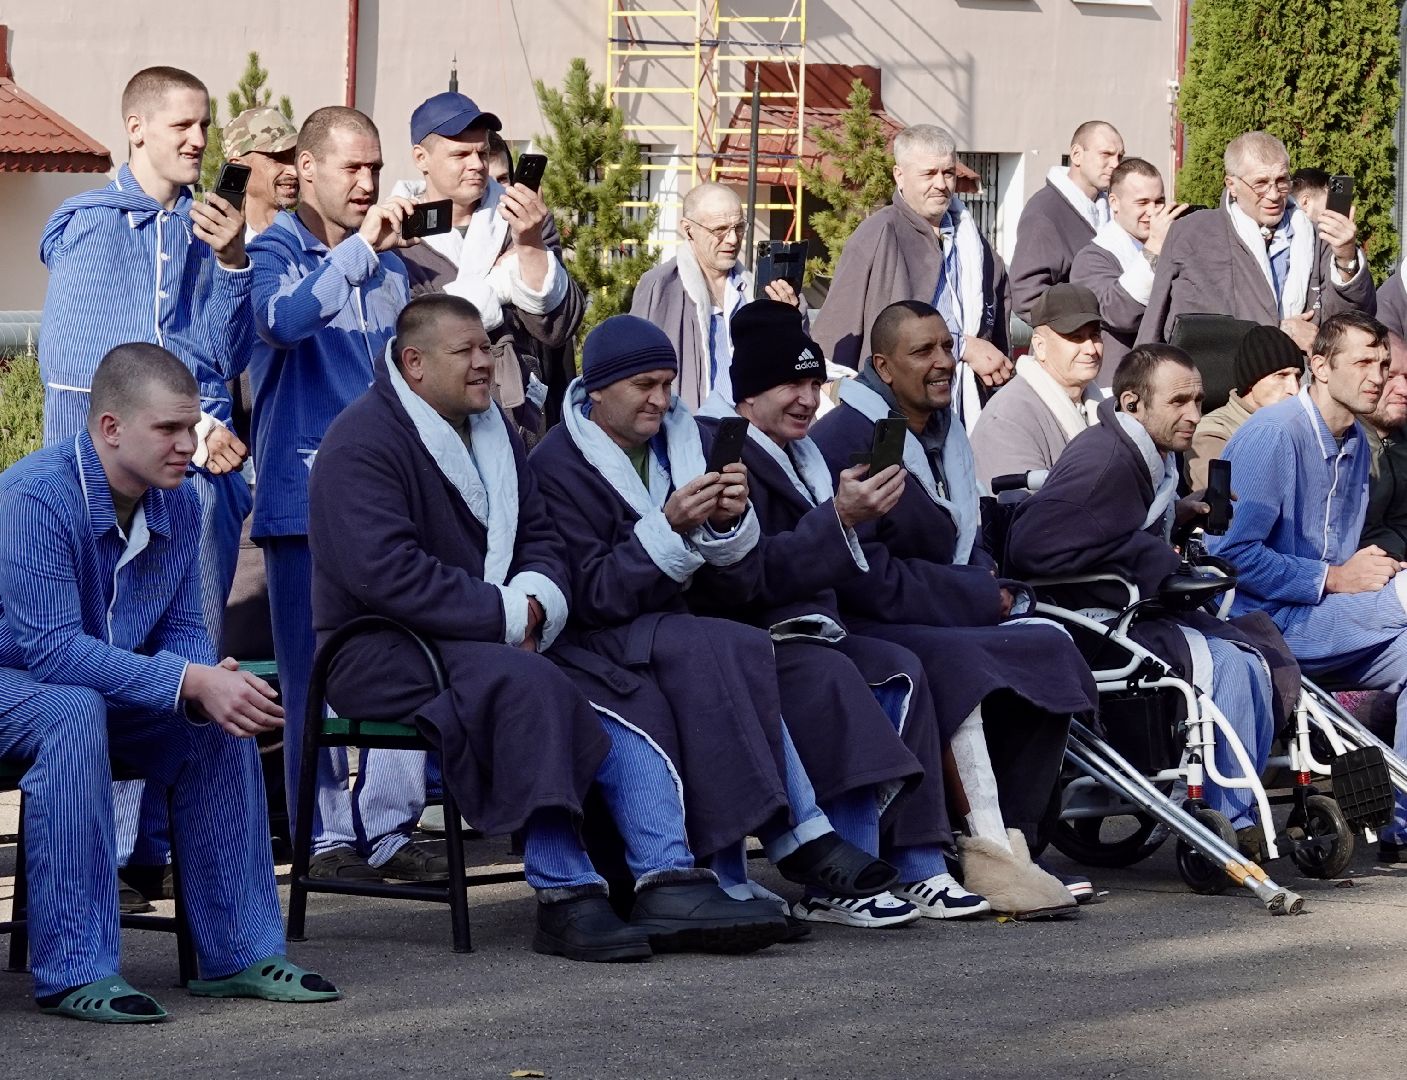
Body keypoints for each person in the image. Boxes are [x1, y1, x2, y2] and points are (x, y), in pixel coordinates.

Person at [308, 294, 787, 959]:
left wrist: (534, 600)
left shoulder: (496, 431)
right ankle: (565, 891)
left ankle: (665, 875)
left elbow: (539, 540)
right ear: (414, 364)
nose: (485, 363)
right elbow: (387, 575)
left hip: (490, 636)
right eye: (467, 352)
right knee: (528, 682)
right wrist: (507, 615)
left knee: (621, 684)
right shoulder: (359, 443)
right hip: (381, 649)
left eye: (489, 348)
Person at [0, 343, 337, 1023]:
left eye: (193, 426)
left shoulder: (182, 503)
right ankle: (76, 970)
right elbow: (53, 651)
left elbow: (184, 626)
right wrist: (186, 678)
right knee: (72, 709)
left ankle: (239, 953)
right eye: (170, 429)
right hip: (26, 683)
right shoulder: (34, 497)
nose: (191, 444)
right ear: (110, 428)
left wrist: (208, 681)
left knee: (215, 717)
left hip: (95, 689)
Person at [529, 315, 901, 909]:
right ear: (596, 389)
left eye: (668, 383)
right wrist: (668, 529)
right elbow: (590, 595)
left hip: (682, 629)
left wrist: (728, 527)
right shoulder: (558, 463)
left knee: (737, 641)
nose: (660, 399)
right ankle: (798, 835)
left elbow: (739, 588)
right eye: (643, 385)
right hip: (600, 639)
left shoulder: (692, 445)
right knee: (721, 645)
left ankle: (817, 846)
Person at [695, 299, 992, 925]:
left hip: (810, 628)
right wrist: (841, 519)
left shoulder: (804, 454)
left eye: (812, 383)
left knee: (902, 666)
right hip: (746, 637)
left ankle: (918, 864)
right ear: (747, 396)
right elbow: (747, 577)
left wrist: (849, 522)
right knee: (839, 679)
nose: (806, 399)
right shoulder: (721, 457)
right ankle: (845, 873)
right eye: (788, 385)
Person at [37, 65, 254, 913]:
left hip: (181, 480)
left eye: (204, 125)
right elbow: (89, 363)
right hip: (96, 476)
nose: (198, 141)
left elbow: (219, 353)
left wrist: (232, 262)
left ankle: (164, 857)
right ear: (134, 129)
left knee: (187, 643)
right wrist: (194, 425)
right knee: (103, 642)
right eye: (181, 126)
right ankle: (107, 857)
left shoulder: (203, 228)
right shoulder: (94, 223)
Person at [810, 300, 1102, 916]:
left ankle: (1019, 837)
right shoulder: (848, 439)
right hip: (875, 621)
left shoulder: (943, 431)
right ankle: (988, 849)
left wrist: (986, 583)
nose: (943, 362)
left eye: (947, 346)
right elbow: (866, 574)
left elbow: (968, 533)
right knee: (958, 666)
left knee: (1047, 642)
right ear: (884, 368)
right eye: (924, 352)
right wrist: (976, 596)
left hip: (947, 607)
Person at [1006, 345, 1301, 854]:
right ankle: (1230, 815)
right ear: (1133, 403)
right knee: (1232, 662)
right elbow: (1030, 545)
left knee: (1253, 651)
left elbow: (1114, 525)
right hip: (1092, 620)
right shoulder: (1104, 461)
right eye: (1179, 402)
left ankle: (1238, 811)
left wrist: (1178, 516)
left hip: (1133, 611)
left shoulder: (1145, 450)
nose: (1193, 414)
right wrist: (1142, 553)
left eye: (1198, 400)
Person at [247, 106, 422, 883]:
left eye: (376, 169)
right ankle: (320, 841)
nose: (367, 183)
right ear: (306, 171)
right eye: (352, 168)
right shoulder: (273, 249)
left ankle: (388, 831)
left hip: (385, 500)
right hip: (301, 495)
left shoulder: (391, 266)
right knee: (307, 671)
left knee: (404, 650)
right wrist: (354, 254)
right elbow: (282, 324)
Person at [1205, 312, 1407, 860]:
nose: (1378, 376)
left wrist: (1362, 572)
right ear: (1318, 365)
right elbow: (1229, 556)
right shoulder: (1272, 435)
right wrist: (1335, 577)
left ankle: (1402, 825)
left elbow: (1342, 555)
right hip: (1264, 626)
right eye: (1363, 361)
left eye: (1383, 363)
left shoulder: (1358, 443)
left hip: (1326, 621)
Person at [393, 92, 583, 443]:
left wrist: (528, 244)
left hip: (517, 419)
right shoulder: (396, 233)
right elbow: (412, 327)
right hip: (430, 421)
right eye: (460, 154)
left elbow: (559, 325)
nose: (477, 165)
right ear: (421, 158)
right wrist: (498, 286)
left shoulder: (525, 218)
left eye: (481, 152)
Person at [811, 124, 1013, 428]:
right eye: (928, 174)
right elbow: (839, 334)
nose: (941, 184)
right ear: (899, 175)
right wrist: (963, 347)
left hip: (963, 403)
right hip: (895, 410)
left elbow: (998, 311)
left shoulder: (971, 240)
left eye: (948, 173)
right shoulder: (879, 233)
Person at [1136, 132, 1373, 353]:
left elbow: (1348, 322)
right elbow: (1168, 321)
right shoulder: (1194, 235)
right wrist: (1278, 332)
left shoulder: (1315, 238)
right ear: (1232, 185)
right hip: (1219, 387)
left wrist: (1345, 257)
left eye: (1282, 181)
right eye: (1260, 183)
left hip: (1295, 381)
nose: (1273, 194)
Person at [629, 182, 802, 408]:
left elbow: (798, 370)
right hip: (686, 429)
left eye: (739, 227)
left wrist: (788, 325)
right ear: (687, 229)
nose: (732, 239)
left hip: (753, 432)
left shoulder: (757, 291)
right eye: (719, 230)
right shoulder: (660, 288)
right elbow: (635, 373)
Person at [970, 283, 1104, 487]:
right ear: (1040, 346)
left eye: (1095, 336)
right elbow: (1021, 510)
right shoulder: (1008, 417)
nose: (1090, 349)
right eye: (1075, 337)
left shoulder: (1105, 408)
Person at [1069, 157, 1186, 379]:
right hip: (1118, 384)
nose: (1152, 212)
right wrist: (1153, 248)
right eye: (1142, 203)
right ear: (1114, 202)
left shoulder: (1171, 247)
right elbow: (1119, 313)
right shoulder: (1092, 259)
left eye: (1159, 201)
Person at [1010, 121, 1125, 321]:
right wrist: (1078, 332)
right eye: (1106, 154)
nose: (1115, 164)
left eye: (1119, 156)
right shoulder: (1045, 211)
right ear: (1076, 154)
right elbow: (1027, 296)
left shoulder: (1113, 211)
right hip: (1072, 346)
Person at [1184, 324, 1303, 490]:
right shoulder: (1212, 433)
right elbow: (1230, 496)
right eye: (1281, 376)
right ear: (1251, 382)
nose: (1294, 389)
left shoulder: (1300, 426)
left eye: (1297, 377)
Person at [1360, 334, 1407, 558]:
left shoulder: (1401, 435)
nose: (1403, 390)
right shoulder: (1338, 442)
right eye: (1390, 376)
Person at [223, 106, 299, 238]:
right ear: (238, 166)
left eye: (294, 156)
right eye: (277, 157)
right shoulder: (216, 241)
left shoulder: (311, 237)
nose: (294, 171)